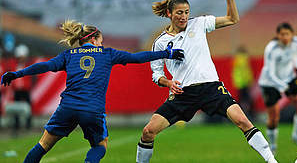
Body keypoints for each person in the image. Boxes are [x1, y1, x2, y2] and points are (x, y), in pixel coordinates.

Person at [1, 20, 184, 163]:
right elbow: (137, 57)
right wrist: (166, 54)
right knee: (100, 146)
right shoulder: (107, 53)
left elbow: (44, 66)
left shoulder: (68, 55)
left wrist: (18, 73)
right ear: (95, 39)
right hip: (92, 109)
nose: (101, 44)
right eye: (101, 41)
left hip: (68, 107)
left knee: (44, 144)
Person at [136, 0, 277, 163]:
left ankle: (272, 161)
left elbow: (232, 19)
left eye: (187, 12)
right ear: (170, 14)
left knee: (243, 121)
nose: (184, 16)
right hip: (182, 94)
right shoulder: (161, 43)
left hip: (211, 88)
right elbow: (156, 75)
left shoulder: (199, 23)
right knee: (148, 132)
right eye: (179, 12)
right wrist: (169, 83)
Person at [258, 22, 297, 154]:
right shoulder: (271, 49)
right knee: (274, 117)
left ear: (292, 34)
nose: (285, 37)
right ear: (278, 35)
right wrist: (284, 87)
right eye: (282, 34)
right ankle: (273, 146)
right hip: (270, 83)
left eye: (287, 34)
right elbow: (270, 73)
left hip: (288, 78)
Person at [232, 45, 254, 117]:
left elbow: (235, 72)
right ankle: (250, 114)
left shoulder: (236, 59)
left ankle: (238, 114)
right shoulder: (244, 59)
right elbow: (246, 72)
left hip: (239, 83)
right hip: (244, 82)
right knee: (247, 99)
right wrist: (249, 80)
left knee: (241, 99)